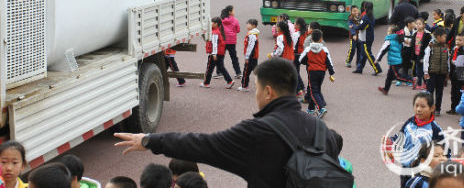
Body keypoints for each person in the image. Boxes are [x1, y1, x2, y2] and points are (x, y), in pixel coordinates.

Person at [114, 58, 342, 188]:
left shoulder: (257, 132)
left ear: (269, 91)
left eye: (257, 88)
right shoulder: (321, 130)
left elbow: (201, 145)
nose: (256, 94)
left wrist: (150, 140)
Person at [387, 92, 444, 187]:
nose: (418, 109)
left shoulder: (435, 129)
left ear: (432, 108)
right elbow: (401, 135)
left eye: (423, 106)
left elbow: (445, 151)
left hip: (423, 172)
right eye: (416, 105)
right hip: (406, 168)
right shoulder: (410, 122)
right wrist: (391, 141)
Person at [299, 29, 335, 118]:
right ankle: (310, 109)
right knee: (316, 89)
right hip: (322, 72)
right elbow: (329, 61)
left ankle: (321, 108)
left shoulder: (308, 49)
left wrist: (308, 63)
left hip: (312, 72)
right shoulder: (325, 49)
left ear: (311, 38)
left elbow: (301, 59)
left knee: (313, 91)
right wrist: (331, 72)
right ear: (321, 39)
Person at [199, 17, 234, 89]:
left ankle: (206, 83)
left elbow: (214, 44)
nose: (210, 23)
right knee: (221, 67)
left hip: (215, 54)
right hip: (220, 53)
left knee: (209, 68)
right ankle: (229, 81)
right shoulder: (218, 31)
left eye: (212, 22)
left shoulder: (214, 33)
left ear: (216, 24)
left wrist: (214, 53)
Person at [423, 27, 450, 116]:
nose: (445, 39)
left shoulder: (445, 47)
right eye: (444, 37)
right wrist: (426, 72)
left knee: (440, 92)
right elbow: (426, 60)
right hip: (432, 73)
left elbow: (447, 60)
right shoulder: (430, 47)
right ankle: (429, 108)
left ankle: (437, 109)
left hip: (442, 73)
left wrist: (447, 72)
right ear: (438, 37)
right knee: (430, 91)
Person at [376, 25, 408, 95]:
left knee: (397, 76)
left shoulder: (389, 41)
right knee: (389, 76)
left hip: (394, 62)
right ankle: (385, 89)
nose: (387, 32)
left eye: (388, 31)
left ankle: (411, 80)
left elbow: (382, 50)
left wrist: (377, 59)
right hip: (397, 61)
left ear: (392, 32)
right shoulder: (399, 39)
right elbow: (403, 49)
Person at [448, 33, 464, 115]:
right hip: (454, 72)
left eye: (460, 40)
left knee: (461, 91)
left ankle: (462, 108)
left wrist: (463, 61)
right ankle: (453, 108)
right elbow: (451, 59)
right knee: (453, 90)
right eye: (456, 40)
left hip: (463, 71)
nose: (457, 42)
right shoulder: (454, 49)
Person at [354, 1, 380, 75]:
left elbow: (361, 26)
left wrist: (355, 27)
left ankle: (377, 68)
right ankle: (359, 69)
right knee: (363, 53)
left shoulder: (366, 17)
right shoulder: (371, 16)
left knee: (368, 54)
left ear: (365, 8)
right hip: (369, 37)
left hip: (365, 38)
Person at [221, 5, 242, 78]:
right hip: (232, 41)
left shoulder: (221, 20)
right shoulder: (235, 20)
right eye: (233, 10)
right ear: (230, 12)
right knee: (234, 57)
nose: (234, 12)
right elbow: (238, 30)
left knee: (221, 56)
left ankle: (219, 72)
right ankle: (238, 72)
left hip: (223, 41)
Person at [239, 19, 260, 92]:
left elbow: (250, 47)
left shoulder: (251, 35)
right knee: (256, 71)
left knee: (246, 71)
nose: (247, 25)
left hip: (251, 56)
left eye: (249, 24)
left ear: (253, 25)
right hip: (254, 56)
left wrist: (247, 57)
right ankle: (262, 84)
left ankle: (244, 86)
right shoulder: (253, 34)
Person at [411, 18, 431, 90]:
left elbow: (429, 45)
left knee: (424, 69)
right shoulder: (414, 33)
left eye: (420, 24)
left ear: (423, 25)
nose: (418, 25)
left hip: (424, 55)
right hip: (417, 54)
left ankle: (425, 83)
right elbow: (412, 44)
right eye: (417, 24)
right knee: (418, 70)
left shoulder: (427, 34)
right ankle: (419, 84)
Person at [397, 17, 416, 86]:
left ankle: (409, 80)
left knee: (409, 66)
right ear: (409, 24)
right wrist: (405, 41)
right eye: (413, 23)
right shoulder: (403, 31)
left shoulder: (415, 31)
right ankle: (399, 79)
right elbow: (400, 39)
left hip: (411, 51)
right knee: (402, 65)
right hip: (404, 51)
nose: (415, 24)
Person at [292, 17, 307, 96]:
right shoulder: (305, 33)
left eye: (294, 23)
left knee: (294, 72)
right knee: (297, 71)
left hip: (296, 55)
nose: (294, 24)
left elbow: (293, 46)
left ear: (298, 25)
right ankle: (302, 87)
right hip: (302, 55)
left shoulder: (296, 34)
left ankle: (298, 90)